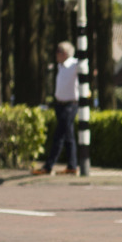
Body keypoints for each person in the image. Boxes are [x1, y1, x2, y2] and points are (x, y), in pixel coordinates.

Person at [32, 42, 79, 176]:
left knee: (59, 136)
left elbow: (83, 65)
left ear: (64, 53)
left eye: (58, 51)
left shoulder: (74, 64)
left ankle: (48, 166)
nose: (56, 54)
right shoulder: (61, 66)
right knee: (69, 137)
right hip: (60, 105)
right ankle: (72, 166)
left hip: (70, 105)